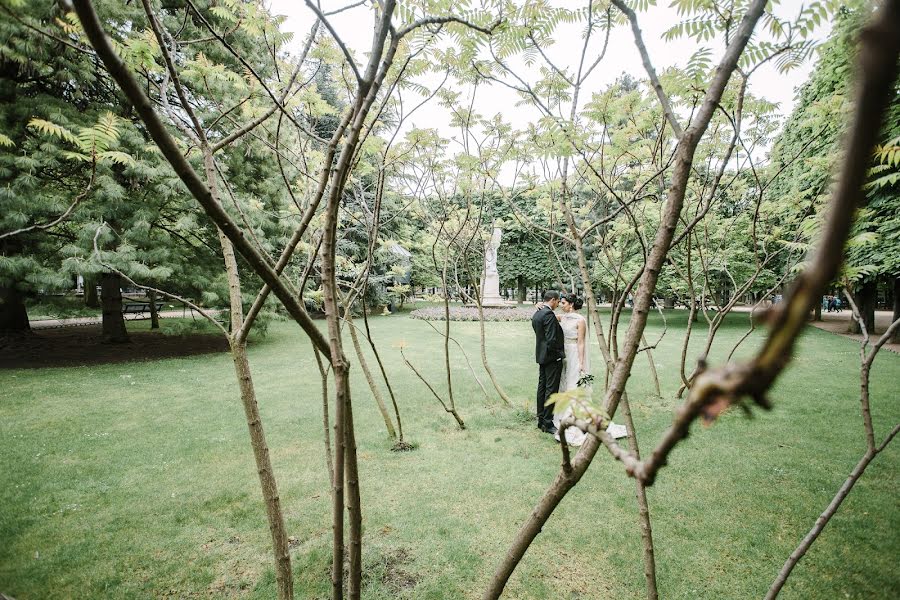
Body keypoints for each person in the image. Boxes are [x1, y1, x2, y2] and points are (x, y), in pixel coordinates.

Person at [552, 293, 628, 446]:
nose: (561, 305)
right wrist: (539, 307)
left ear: (571, 304)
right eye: (560, 302)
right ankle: (561, 411)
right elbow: (550, 315)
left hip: (574, 353)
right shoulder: (564, 317)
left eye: (564, 303)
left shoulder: (580, 321)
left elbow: (581, 343)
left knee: (574, 384)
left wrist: (581, 362)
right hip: (564, 353)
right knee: (564, 382)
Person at [532, 290, 565, 434]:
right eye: (558, 301)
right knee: (551, 389)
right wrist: (558, 355)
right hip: (552, 357)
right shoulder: (548, 315)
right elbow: (552, 339)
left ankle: (541, 419)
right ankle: (548, 422)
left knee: (542, 388)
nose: (558, 304)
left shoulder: (537, 313)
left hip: (541, 356)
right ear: (552, 300)